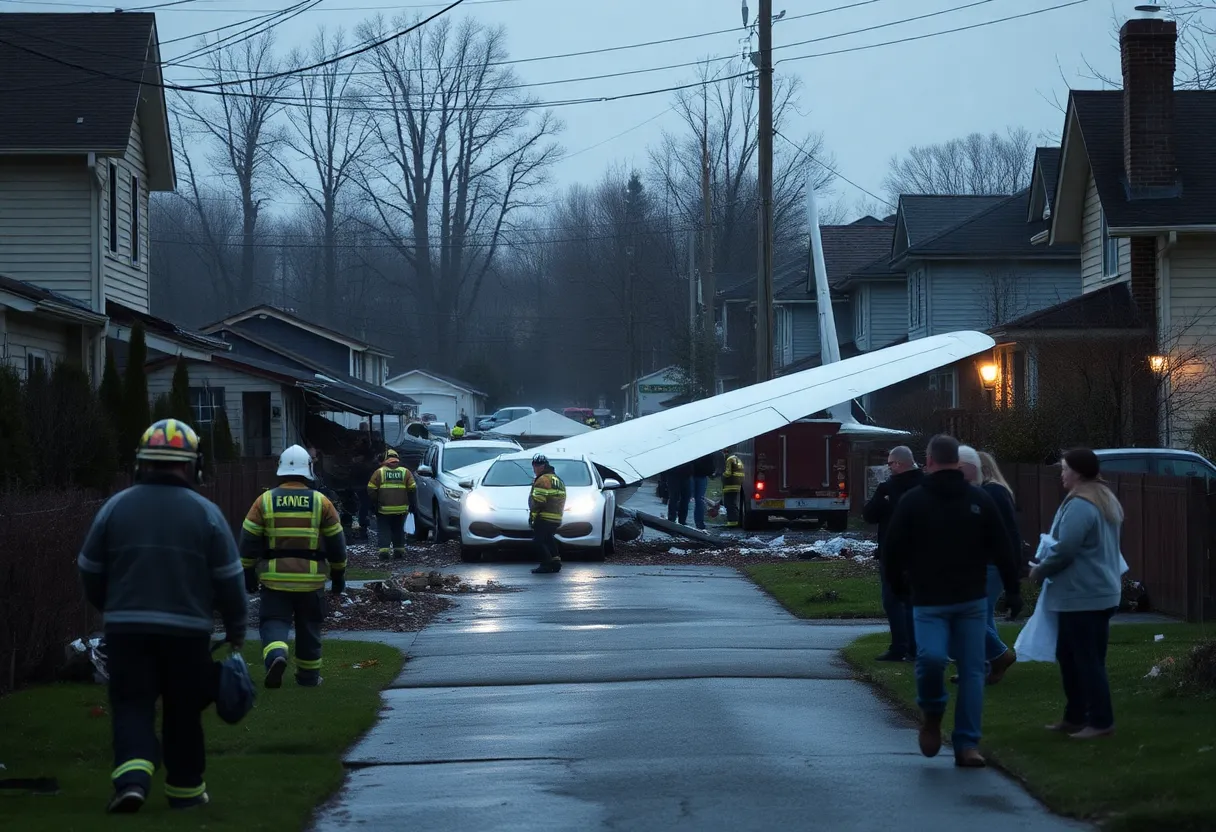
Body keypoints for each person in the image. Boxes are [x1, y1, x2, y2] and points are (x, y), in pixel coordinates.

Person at [77, 419, 247, 813]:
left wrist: (111, 606)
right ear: (192, 465)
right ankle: (186, 791)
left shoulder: (114, 508)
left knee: (132, 703)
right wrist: (236, 628)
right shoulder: (206, 513)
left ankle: (132, 781)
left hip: (127, 630)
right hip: (187, 634)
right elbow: (229, 579)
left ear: (142, 463)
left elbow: (89, 567)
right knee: (183, 710)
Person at [884, 434, 1022, 768]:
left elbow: (891, 550)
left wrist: (896, 584)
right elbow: (1006, 547)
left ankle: (966, 744)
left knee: (970, 670)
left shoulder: (975, 500)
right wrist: (1014, 587)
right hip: (932, 600)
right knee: (932, 659)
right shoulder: (918, 501)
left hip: (967, 601)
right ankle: (933, 712)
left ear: (929, 461)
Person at [1030, 448, 1125, 740]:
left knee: (1085, 660)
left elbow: (1067, 549)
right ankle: (1075, 716)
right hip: (1099, 591)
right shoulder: (1103, 497)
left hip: (1082, 594)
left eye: (1064, 469)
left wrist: (1040, 570)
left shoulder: (1081, 505)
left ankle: (1100, 721)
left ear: (1078, 472)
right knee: (1074, 656)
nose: (1062, 474)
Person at [240, 445, 347, 689]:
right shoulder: (322, 502)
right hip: (311, 582)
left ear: (281, 469)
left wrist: (248, 571)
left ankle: (276, 655)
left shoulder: (264, 501)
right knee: (309, 628)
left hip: (275, 580)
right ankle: (308, 679)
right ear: (308, 469)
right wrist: (339, 575)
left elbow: (248, 540)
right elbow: (337, 543)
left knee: (273, 622)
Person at [862, 445, 923, 662]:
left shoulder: (888, 488)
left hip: (893, 552)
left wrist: (881, 499)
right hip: (921, 553)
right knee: (915, 601)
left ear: (898, 463)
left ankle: (900, 646)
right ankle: (917, 647)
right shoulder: (925, 484)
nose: (888, 468)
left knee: (893, 600)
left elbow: (869, 515)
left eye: (890, 464)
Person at [978, 450, 1022, 684]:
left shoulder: (992, 492)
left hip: (991, 562)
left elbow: (1005, 533)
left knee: (976, 614)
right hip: (993, 562)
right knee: (983, 614)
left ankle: (998, 656)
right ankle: (988, 662)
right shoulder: (997, 490)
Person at [367, 449, 418, 560]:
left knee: (384, 529)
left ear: (386, 459)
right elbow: (412, 489)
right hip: (401, 509)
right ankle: (399, 551)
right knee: (398, 529)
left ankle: (384, 552)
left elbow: (371, 489)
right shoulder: (406, 472)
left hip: (383, 509)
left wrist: (374, 504)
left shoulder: (379, 472)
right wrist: (412, 504)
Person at [529, 454, 566, 574]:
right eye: (534, 466)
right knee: (549, 539)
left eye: (537, 466)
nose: (535, 468)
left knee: (538, 541)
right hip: (556, 517)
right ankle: (556, 563)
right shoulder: (557, 479)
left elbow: (538, 502)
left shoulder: (543, 480)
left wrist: (533, 517)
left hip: (544, 516)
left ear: (543, 466)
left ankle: (545, 564)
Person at [691, 452, 717, 531]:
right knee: (693, 499)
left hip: (698, 475)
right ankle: (698, 522)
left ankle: (699, 523)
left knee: (699, 500)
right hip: (694, 475)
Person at [721, 448, 745, 527]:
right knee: (734, 504)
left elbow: (728, 473)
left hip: (730, 486)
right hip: (737, 486)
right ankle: (736, 521)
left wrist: (722, 476)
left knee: (729, 505)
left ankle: (732, 524)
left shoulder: (729, 460)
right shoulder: (737, 459)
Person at [666, 460, 694, 526]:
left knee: (685, 499)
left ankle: (682, 520)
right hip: (673, 474)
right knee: (674, 498)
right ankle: (672, 519)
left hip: (686, 474)